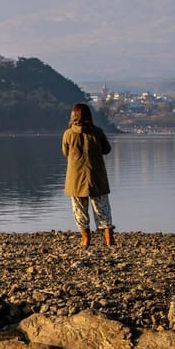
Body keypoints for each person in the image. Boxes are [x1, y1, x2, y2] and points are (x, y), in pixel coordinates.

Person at [62, 103, 115, 246]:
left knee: (79, 209)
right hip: (97, 176)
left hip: (76, 178)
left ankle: (85, 238)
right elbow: (107, 149)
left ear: (73, 117)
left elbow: (66, 153)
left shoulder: (68, 134)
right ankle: (109, 237)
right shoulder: (97, 132)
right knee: (102, 207)